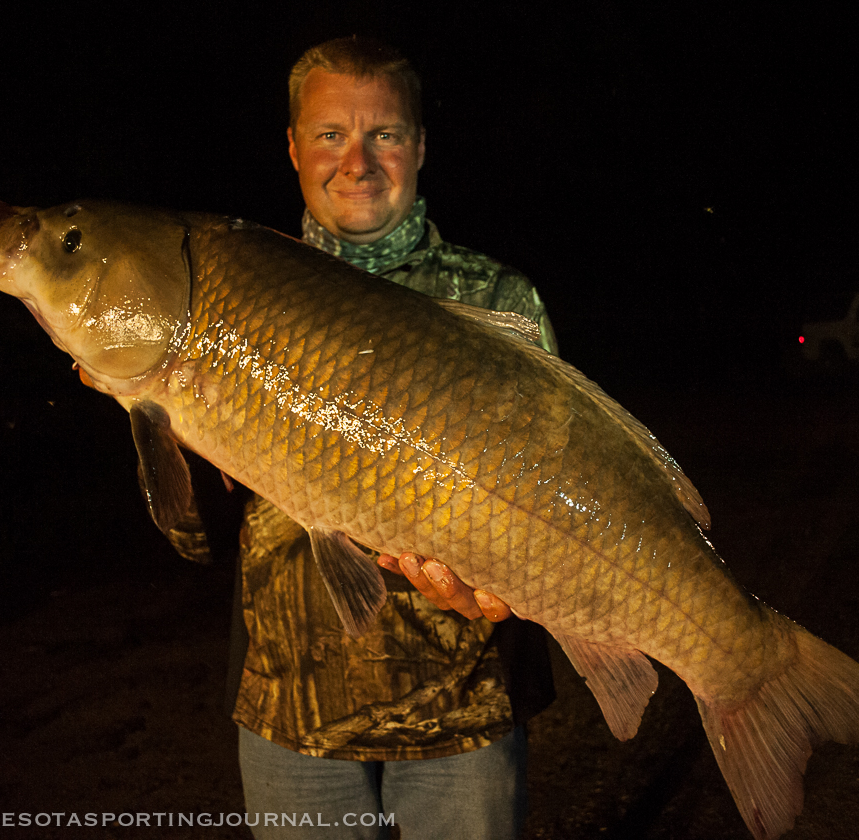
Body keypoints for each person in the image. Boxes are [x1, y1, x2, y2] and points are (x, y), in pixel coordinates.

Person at [197, 37, 558, 840]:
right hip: (290, 718)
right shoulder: (232, 295)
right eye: (330, 134)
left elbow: (552, 516)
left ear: (420, 147)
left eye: (384, 134)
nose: (356, 161)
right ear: (292, 147)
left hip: (462, 724)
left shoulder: (497, 299)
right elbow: (195, 537)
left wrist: (498, 600)